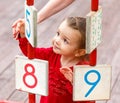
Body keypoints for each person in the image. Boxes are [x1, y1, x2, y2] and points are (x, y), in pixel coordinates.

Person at [13, 16, 95, 103]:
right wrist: (23, 35)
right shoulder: (52, 54)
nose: (57, 40)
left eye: (65, 40)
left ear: (79, 52)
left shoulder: (84, 70)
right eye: (58, 34)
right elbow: (31, 53)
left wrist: (73, 82)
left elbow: (88, 100)